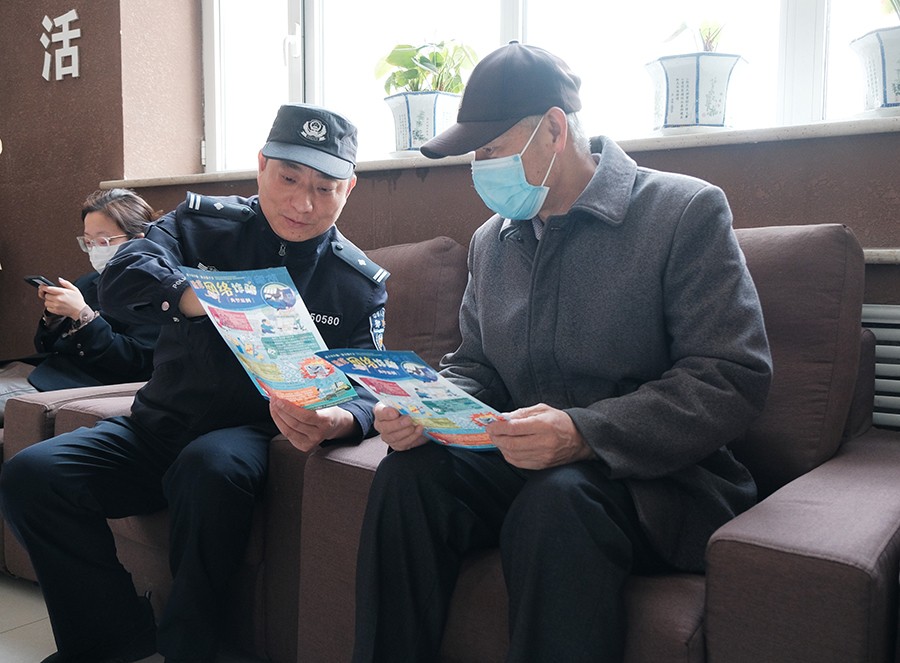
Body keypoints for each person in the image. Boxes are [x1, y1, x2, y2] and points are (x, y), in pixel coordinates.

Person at [352, 42, 774, 662]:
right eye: (475, 156)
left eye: (491, 150)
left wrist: (582, 433)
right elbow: (477, 365)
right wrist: (430, 409)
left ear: (553, 129)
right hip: (525, 460)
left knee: (558, 501)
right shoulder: (493, 241)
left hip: (657, 481)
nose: (481, 169)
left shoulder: (683, 212)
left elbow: (731, 376)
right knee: (409, 476)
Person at [0, 103, 387, 663]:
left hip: (247, 435)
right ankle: (112, 638)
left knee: (210, 466)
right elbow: (121, 277)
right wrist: (197, 296)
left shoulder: (355, 282)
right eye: (289, 179)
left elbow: (369, 386)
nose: (303, 203)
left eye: (325, 188)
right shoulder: (200, 224)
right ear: (262, 167)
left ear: (348, 189)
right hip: (156, 427)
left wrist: (341, 418)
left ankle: (192, 649)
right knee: (32, 476)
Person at [0, 189, 160, 424]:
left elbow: (134, 363)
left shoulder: (158, 291)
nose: (95, 249)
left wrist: (82, 314)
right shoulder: (89, 282)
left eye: (103, 241)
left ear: (137, 240)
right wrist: (54, 316)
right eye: (88, 242)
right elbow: (45, 346)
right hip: (41, 369)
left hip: (80, 382)